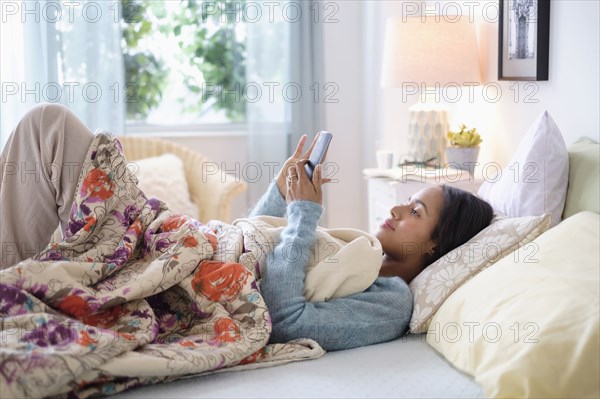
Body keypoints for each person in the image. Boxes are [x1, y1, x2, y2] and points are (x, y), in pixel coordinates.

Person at [0, 104, 494, 351]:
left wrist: (305, 213)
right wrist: (284, 192)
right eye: (406, 201)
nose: (397, 211)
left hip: (183, 276)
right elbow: (251, 236)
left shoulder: (391, 303)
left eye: (415, 213)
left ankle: (11, 273)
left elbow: (285, 318)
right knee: (47, 132)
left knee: (50, 128)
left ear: (435, 245)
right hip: (185, 239)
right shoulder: (356, 252)